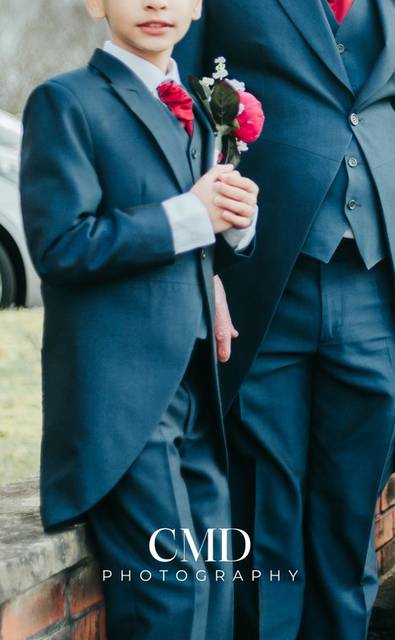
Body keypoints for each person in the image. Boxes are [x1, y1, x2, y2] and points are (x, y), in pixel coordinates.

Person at [174, 0, 395, 637]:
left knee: (350, 528)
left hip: (379, 283)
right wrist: (197, 266)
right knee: (263, 524)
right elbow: (179, 105)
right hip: (260, 278)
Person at [18, 0, 259, 637]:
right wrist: (191, 216)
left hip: (198, 392)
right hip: (122, 400)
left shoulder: (202, 106)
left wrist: (233, 226)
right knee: (171, 594)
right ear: (95, 3)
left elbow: (198, 236)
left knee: (216, 585)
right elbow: (60, 246)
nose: (157, 2)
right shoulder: (66, 102)